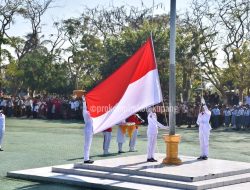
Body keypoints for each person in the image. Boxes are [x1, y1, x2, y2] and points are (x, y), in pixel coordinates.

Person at [82, 95, 94, 164]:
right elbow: (84, 107)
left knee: (88, 144)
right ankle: (86, 159)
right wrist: (84, 100)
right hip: (87, 130)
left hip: (91, 130)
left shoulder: (92, 112)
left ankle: (87, 158)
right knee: (87, 144)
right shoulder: (85, 112)